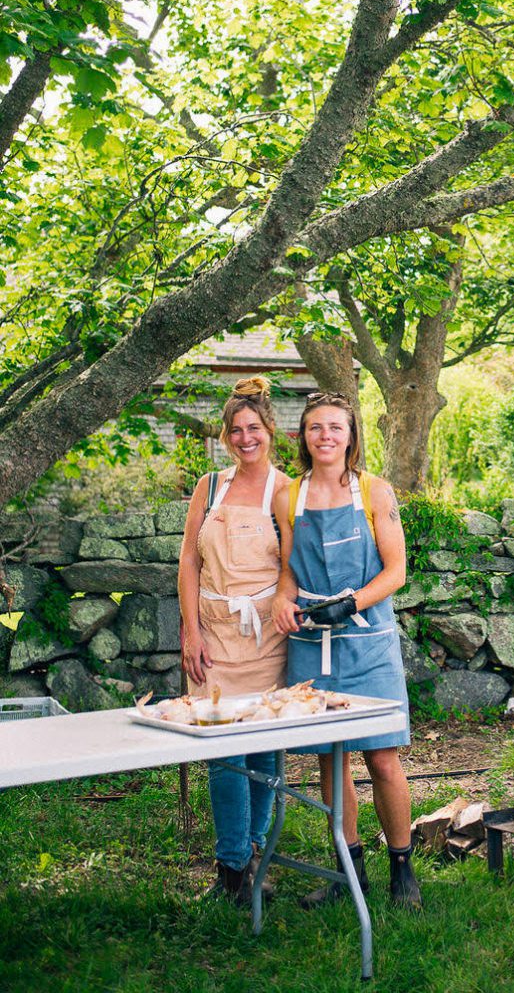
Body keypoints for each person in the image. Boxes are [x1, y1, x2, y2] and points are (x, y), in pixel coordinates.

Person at [271, 391, 421, 909]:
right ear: (303, 437)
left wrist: (351, 602)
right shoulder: (288, 497)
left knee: (381, 757)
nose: (326, 436)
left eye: (336, 427)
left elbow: (396, 572)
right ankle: (347, 872)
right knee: (331, 762)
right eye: (316, 428)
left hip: (367, 641)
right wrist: (282, 600)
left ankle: (403, 868)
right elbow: (289, 569)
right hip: (313, 644)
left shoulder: (375, 493)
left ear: (351, 436)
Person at [178, 376, 290, 905]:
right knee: (223, 753)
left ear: (270, 431)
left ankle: (253, 858)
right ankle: (230, 868)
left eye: (254, 429)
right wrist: (190, 629)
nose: (246, 438)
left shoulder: (285, 491)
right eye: (235, 431)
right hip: (213, 637)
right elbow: (189, 560)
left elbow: (291, 566)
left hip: (265, 636)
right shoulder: (210, 485)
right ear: (225, 437)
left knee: (264, 752)